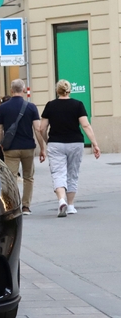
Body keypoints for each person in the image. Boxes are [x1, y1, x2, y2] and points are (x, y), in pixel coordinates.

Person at [37, 79, 101, 217]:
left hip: (55, 143)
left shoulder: (50, 105)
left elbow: (41, 128)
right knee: (73, 173)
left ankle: (61, 200)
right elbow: (85, 125)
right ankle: (71, 205)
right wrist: (94, 143)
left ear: (57, 91)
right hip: (75, 143)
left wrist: (47, 140)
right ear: (69, 90)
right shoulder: (78, 105)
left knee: (58, 173)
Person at [0, 79, 46, 216]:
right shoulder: (31, 107)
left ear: (11, 90)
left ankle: (13, 205)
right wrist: (42, 148)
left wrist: (2, 142)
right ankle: (26, 206)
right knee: (28, 177)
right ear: (24, 89)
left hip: (10, 148)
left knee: (11, 178)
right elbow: (38, 129)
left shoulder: (3, 108)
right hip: (28, 147)